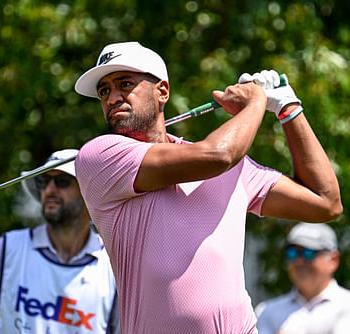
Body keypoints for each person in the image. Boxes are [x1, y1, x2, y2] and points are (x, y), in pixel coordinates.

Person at [73, 41, 342, 333]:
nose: (112, 98)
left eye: (124, 84)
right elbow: (219, 155)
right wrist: (256, 102)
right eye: (104, 91)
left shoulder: (236, 167)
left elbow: (326, 203)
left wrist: (288, 107)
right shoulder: (99, 156)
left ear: (162, 91)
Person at [0, 149, 119, 334]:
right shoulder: (5, 250)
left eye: (62, 182)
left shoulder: (114, 268)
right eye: (44, 181)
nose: (49, 189)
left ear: (89, 193)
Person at [255, 222, 350, 334]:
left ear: (333, 260)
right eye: (292, 253)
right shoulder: (266, 311)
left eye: (308, 253)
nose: (299, 261)